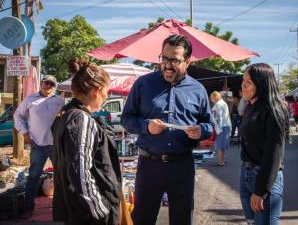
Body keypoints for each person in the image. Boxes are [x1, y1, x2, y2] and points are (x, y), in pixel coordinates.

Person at [121, 34, 213, 225]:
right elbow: (126, 119)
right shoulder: (143, 84)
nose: (167, 65)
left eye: (174, 60)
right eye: (164, 58)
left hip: (182, 166)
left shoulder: (198, 90)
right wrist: (145, 126)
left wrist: (201, 130)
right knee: (142, 219)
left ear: (187, 62)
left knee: (182, 219)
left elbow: (209, 123)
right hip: (149, 165)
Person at [51, 60, 122, 225]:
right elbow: (80, 171)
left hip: (73, 209)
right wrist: (100, 210)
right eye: (106, 91)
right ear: (97, 91)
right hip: (86, 215)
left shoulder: (65, 115)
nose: (107, 96)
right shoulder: (80, 119)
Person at [239, 63, 289, 225]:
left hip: (264, 179)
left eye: (248, 82)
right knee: (251, 222)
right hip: (246, 174)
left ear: (261, 84)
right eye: (243, 81)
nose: (243, 86)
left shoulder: (274, 110)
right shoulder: (250, 106)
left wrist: (260, 191)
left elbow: (273, 155)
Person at [13, 75, 64, 219]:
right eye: (46, 82)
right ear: (41, 83)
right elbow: (17, 116)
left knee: (61, 176)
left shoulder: (60, 101)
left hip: (56, 146)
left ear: (54, 86)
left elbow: (67, 118)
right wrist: (24, 132)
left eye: (51, 84)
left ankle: (61, 207)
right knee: (33, 177)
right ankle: (28, 208)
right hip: (38, 145)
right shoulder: (30, 100)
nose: (48, 85)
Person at [210, 91, 231, 166]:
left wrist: (217, 129)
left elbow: (219, 118)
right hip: (224, 126)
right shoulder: (222, 103)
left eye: (212, 98)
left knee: (221, 145)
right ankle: (221, 161)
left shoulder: (218, 104)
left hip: (221, 127)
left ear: (215, 97)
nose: (211, 100)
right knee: (221, 145)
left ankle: (221, 162)